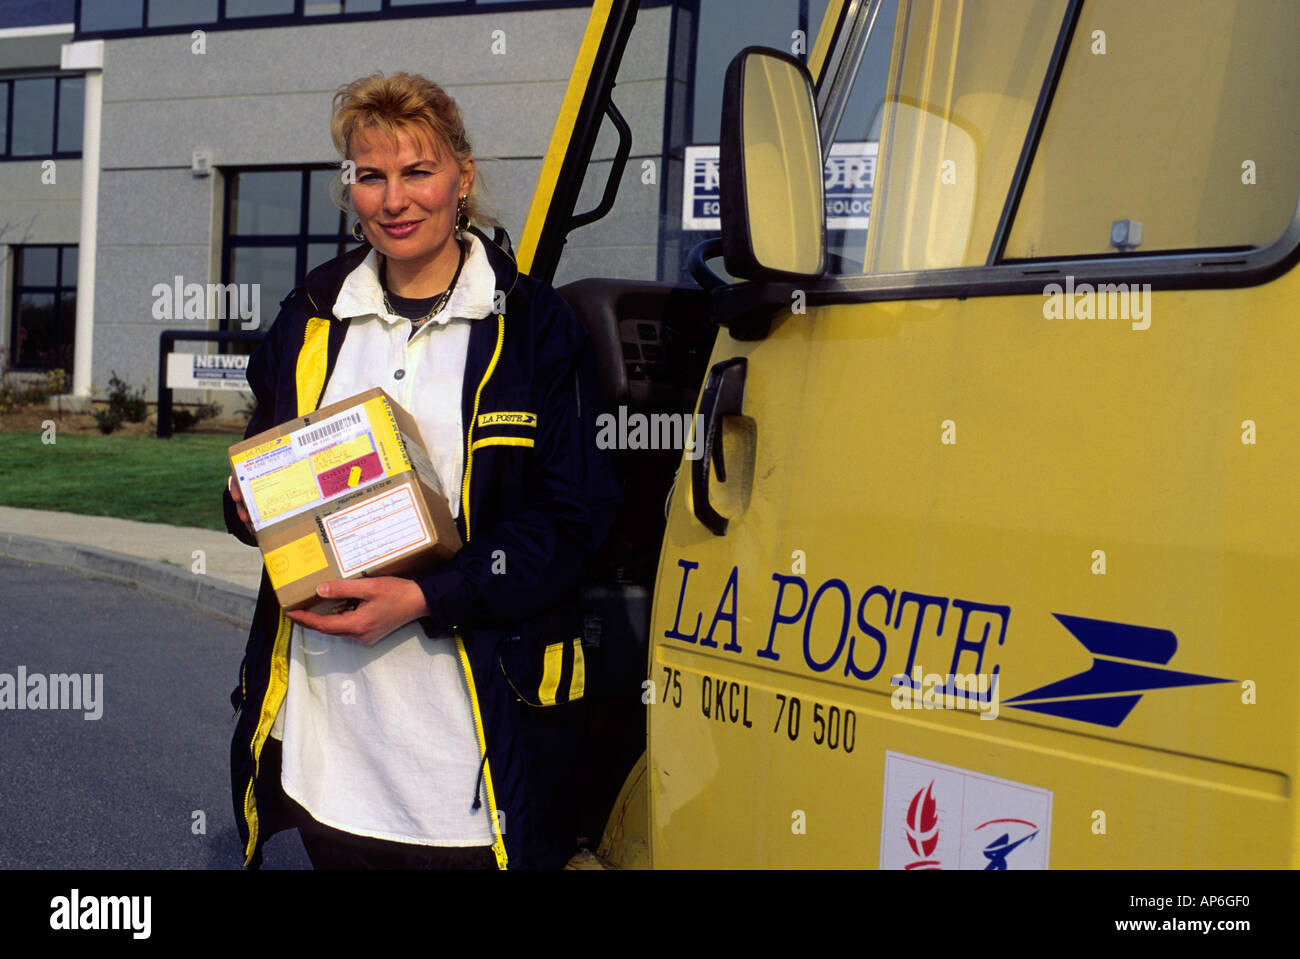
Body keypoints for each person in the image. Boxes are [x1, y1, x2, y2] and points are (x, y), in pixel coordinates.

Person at [223, 72, 622, 870]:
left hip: (468, 765)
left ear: (462, 179)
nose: (394, 200)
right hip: (331, 754)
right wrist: (245, 503)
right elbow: (263, 483)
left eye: (418, 172)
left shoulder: (537, 326)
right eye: (371, 176)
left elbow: (575, 520)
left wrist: (428, 594)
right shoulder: (310, 315)